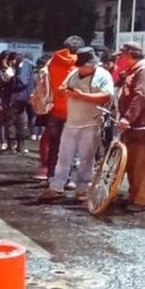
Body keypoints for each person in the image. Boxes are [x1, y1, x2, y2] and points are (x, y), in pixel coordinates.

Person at [38, 48, 114, 203]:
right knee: (63, 157)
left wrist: (82, 96)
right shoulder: (73, 73)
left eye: (85, 66)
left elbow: (106, 96)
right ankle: (56, 187)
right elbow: (62, 88)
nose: (82, 68)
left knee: (86, 158)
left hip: (91, 122)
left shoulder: (103, 75)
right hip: (71, 122)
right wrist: (64, 91)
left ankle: (83, 188)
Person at [117, 42, 145, 212]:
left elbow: (140, 96)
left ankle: (143, 199)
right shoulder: (135, 70)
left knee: (140, 164)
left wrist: (128, 117)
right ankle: (134, 194)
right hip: (133, 125)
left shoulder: (144, 70)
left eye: (122, 55)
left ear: (129, 55)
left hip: (140, 125)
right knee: (132, 162)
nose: (120, 58)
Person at [44, 35, 85, 179]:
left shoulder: (53, 61)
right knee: (74, 146)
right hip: (75, 111)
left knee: (54, 144)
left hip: (55, 109)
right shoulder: (82, 65)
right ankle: (70, 177)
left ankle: (51, 175)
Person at [0, 52, 34, 153]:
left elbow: (21, 82)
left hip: (15, 98)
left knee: (12, 122)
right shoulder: (25, 66)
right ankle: (19, 145)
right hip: (20, 98)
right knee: (19, 121)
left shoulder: (22, 66)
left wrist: (10, 80)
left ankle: (13, 146)